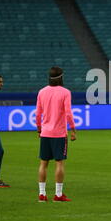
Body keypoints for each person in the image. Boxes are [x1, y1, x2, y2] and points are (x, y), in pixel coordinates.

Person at [36, 67, 76, 202]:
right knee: (59, 163)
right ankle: (58, 195)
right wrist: (73, 129)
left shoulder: (42, 92)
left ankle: (42, 194)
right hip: (59, 133)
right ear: (61, 77)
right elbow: (69, 113)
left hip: (45, 132)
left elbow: (37, 113)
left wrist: (39, 128)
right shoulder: (65, 92)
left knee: (43, 163)